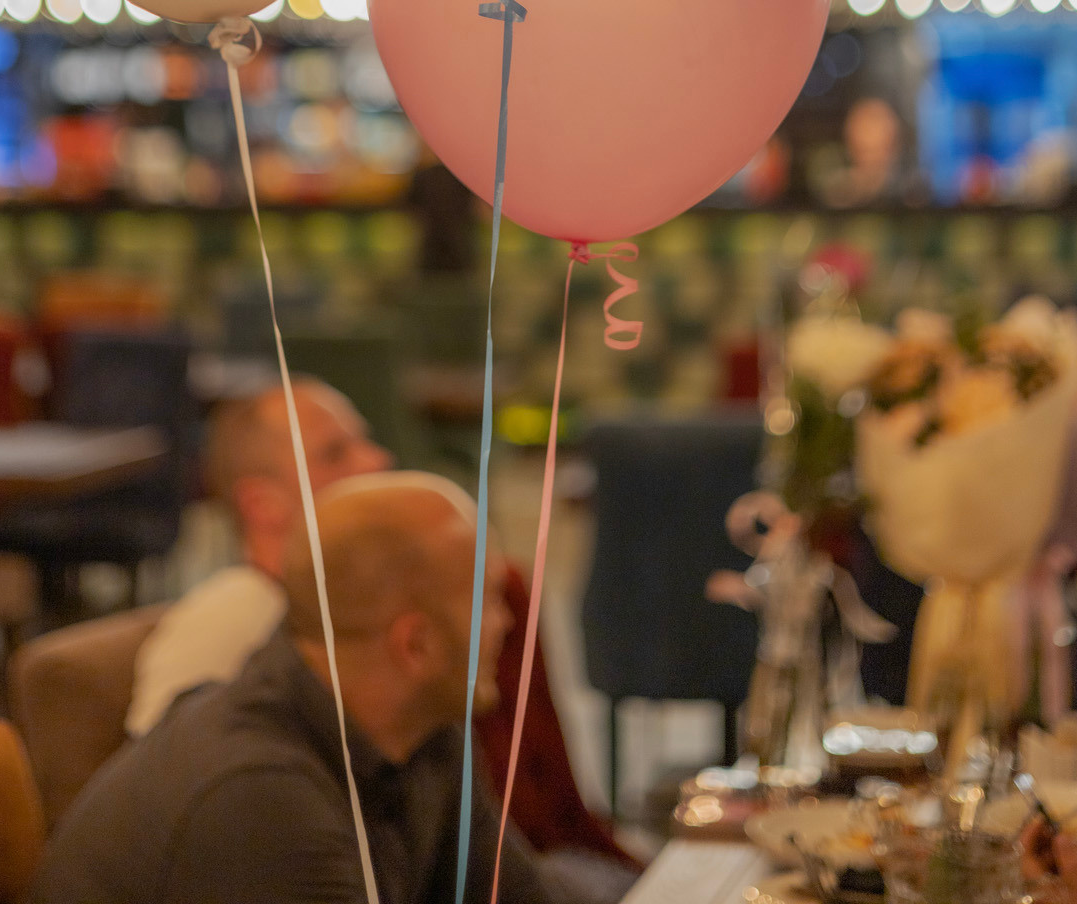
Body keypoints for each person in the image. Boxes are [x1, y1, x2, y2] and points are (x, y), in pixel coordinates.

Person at [129, 379, 635, 895]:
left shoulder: (421, 726)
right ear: (413, 645)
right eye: (335, 452)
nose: (376, 461)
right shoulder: (260, 766)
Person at [34, 473, 564, 904]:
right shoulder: (260, 798)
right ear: (416, 646)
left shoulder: (427, 732)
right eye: (489, 601)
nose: (505, 623)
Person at [127, 377, 390, 734]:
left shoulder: (345, 611)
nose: (377, 461)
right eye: (334, 453)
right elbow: (163, 778)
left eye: (366, 441)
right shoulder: (228, 623)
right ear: (262, 503)